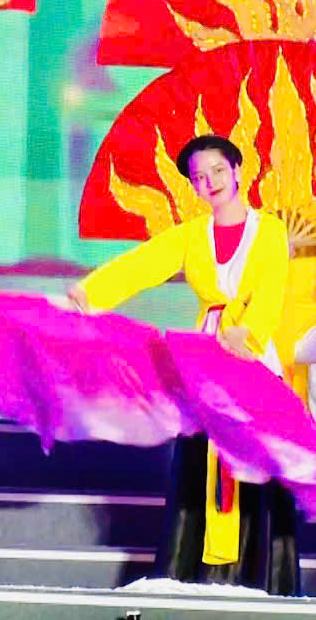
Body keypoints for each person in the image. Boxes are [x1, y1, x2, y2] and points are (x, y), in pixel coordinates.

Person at [67, 134, 299, 594]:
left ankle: (254, 580)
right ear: (192, 186)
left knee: (248, 472)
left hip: (253, 362)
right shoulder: (191, 235)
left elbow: (272, 288)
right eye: (199, 177)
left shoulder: (270, 231)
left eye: (218, 170)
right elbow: (142, 264)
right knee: (198, 465)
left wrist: (249, 334)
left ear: (238, 170)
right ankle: (191, 576)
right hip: (204, 362)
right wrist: (92, 292)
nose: (210, 181)